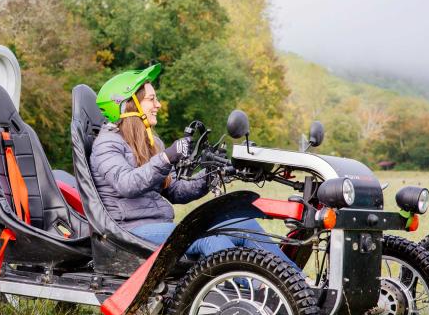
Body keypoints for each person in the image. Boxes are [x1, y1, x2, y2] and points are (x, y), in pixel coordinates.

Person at [90, 64, 297, 264]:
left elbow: (176, 190)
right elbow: (126, 184)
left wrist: (213, 174)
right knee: (211, 238)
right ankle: (260, 291)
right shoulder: (106, 144)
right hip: (129, 231)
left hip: (158, 226)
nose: (158, 105)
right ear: (129, 105)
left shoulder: (150, 143)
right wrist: (167, 157)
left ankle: (297, 284)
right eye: (152, 99)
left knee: (243, 225)